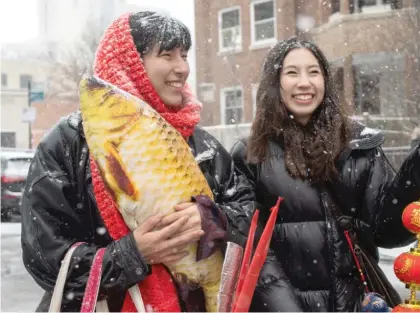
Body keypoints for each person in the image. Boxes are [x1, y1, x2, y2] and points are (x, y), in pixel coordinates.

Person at [20, 11, 254, 312]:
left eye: (184, 55)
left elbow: (248, 217)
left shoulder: (202, 144)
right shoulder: (70, 143)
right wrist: (133, 254)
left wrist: (213, 221)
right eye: (167, 55)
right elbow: (46, 258)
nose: (181, 68)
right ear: (128, 63)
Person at [229, 37, 420, 312]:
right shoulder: (250, 155)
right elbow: (250, 250)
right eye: (292, 73)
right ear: (274, 83)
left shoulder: (359, 145)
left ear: (326, 80)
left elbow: (386, 231)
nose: (305, 83)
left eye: (314, 72)